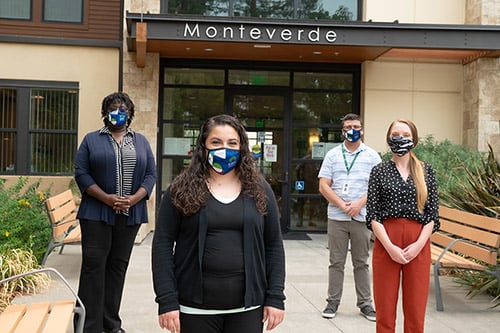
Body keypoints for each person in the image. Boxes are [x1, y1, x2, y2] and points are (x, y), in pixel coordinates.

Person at [152, 114, 286, 333]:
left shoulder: (259, 189)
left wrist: (275, 297)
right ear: (203, 147)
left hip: (248, 308)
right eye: (216, 142)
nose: (224, 149)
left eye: (232, 143)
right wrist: (166, 300)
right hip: (194, 309)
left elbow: (273, 245)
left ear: (242, 147)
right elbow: (162, 245)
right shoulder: (180, 188)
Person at [74, 92, 157, 333]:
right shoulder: (91, 140)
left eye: (123, 109)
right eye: (113, 108)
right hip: (96, 215)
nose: (117, 113)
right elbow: (81, 173)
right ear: (105, 112)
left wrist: (133, 199)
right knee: (93, 269)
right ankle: (88, 326)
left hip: (129, 216)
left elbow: (151, 174)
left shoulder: (140, 141)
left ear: (130, 114)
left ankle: (111, 325)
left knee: (117, 269)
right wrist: (107, 199)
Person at [366, 119, 439, 333]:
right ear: (389, 138)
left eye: (406, 135)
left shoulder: (426, 171)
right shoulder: (379, 171)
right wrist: (389, 246)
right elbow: (373, 215)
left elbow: (432, 215)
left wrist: (418, 245)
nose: (401, 138)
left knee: (416, 311)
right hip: (387, 240)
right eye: (396, 134)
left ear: (414, 140)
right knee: (385, 310)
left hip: (418, 241)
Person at [317, 113, 381, 321]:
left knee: (361, 262)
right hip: (337, 217)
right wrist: (342, 204)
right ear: (342, 131)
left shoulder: (372, 156)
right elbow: (323, 185)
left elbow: (377, 187)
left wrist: (358, 204)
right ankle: (332, 302)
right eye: (347, 127)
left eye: (355, 126)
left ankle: (365, 304)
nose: (351, 130)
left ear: (362, 129)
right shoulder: (333, 155)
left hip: (361, 217)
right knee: (336, 262)